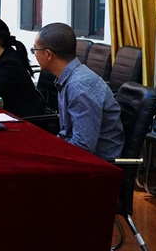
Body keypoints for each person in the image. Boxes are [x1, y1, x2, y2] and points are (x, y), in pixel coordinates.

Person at [33, 22, 124, 159]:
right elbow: (69, 135)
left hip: (98, 163)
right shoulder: (70, 78)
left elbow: (83, 146)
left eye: (35, 49)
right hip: (75, 151)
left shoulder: (80, 87)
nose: (34, 54)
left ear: (48, 54)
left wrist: (48, 153)